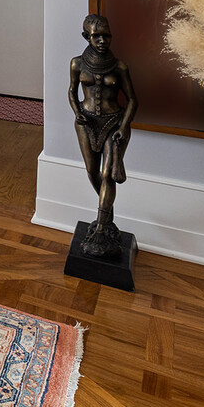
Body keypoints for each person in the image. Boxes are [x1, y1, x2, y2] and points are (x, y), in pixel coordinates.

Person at [68, 13, 138, 257]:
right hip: (86, 123)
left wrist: (123, 127)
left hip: (113, 124)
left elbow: (132, 100)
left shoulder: (119, 67)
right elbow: (71, 91)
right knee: (92, 171)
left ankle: (100, 228)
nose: (102, 41)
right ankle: (107, 213)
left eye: (106, 36)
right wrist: (77, 112)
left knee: (108, 174)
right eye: (96, 36)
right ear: (86, 36)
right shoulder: (77, 63)